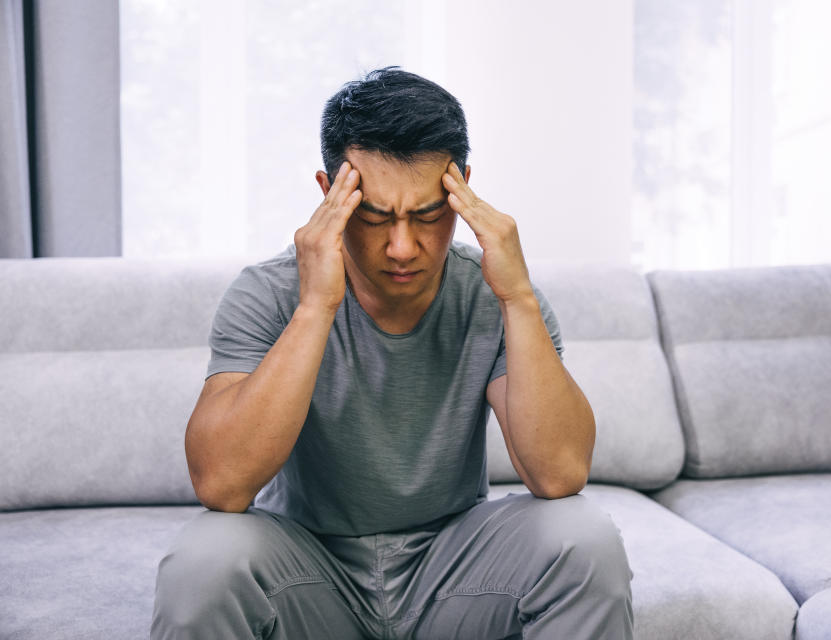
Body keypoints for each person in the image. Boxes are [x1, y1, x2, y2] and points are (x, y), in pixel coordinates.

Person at [151, 66, 633, 640]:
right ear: (329, 193)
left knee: (586, 537)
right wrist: (316, 308)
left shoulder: (497, 294)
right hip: (310, 573)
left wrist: (518, 298)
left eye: (428, 215)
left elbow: (558, 474)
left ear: (463, 190)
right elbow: (221, 485)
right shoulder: (270, 293)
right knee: (206, 555)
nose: (402, 248)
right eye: (373, 216)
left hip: (454, 574)